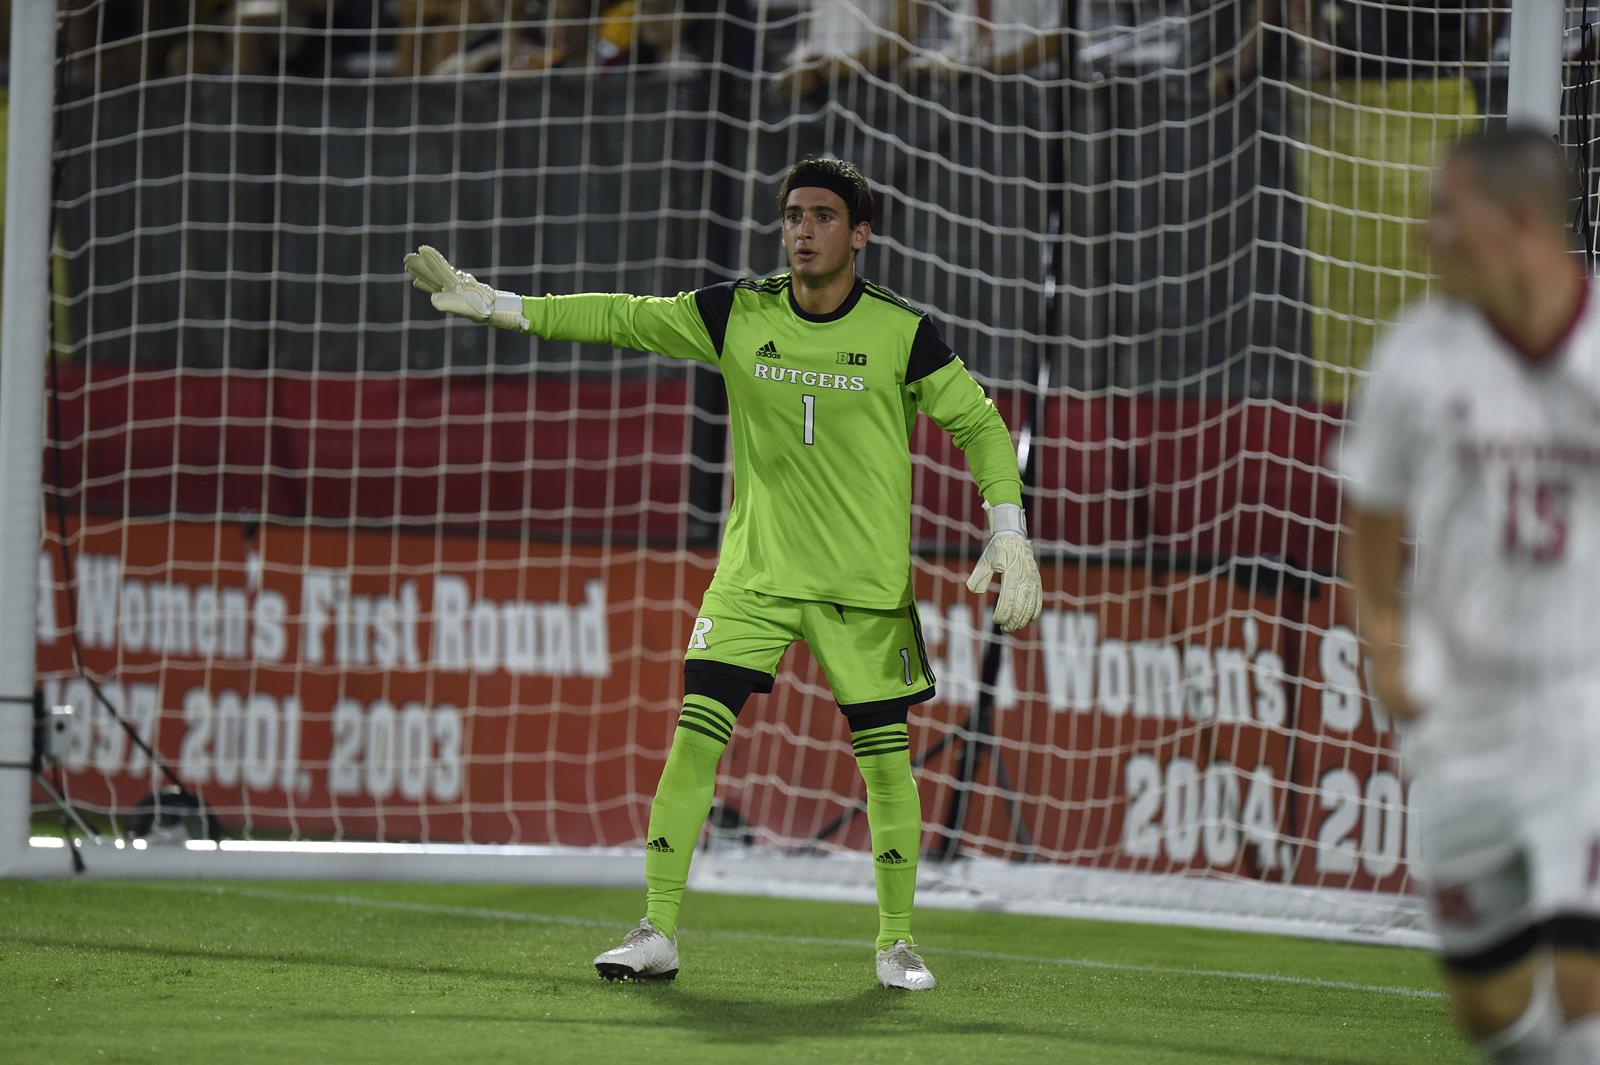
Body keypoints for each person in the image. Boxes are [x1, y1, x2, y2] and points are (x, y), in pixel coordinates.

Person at [404, 156, 1042, 990]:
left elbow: (983, 426)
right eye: (791, 216)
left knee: (886, 763)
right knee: (694, 735)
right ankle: (656, 928)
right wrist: (503, 306)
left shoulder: (903, 333)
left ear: (860, 235)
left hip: (863, 589)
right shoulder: (738, 311)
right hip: (756, 576)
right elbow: (623, 318)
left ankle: (897, 941)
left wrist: (1010, 528)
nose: (801, 231)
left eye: (821, 217)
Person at [1340, 127, 1600, 1064]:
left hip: (1585, 699)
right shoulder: (1418, 356)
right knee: (1490, 1010)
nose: (1427, 233)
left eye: (1448, 211)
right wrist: (1386, 641)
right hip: (1465, 715)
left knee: (1585, 985)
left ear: (1518, 220)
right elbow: (1372, 513)